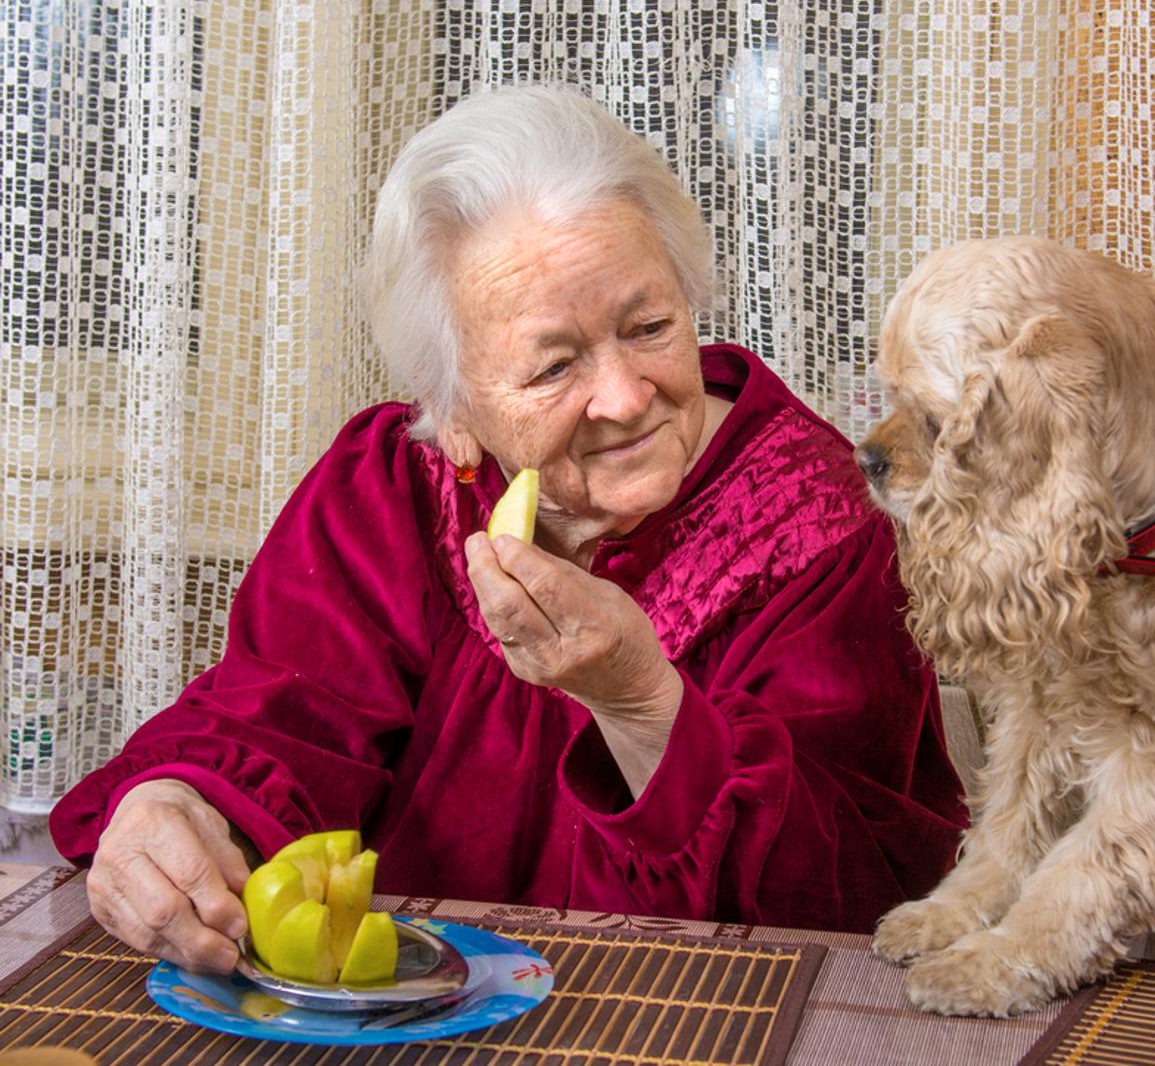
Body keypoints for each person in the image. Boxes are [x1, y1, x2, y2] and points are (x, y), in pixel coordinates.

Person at [49, 84, 967, 974]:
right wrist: (176, 804)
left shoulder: (817, 523)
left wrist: (645, 703)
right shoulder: (391, 486)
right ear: (451, 411)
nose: (624, 397)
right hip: (393, 1032)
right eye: (553, 366)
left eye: (649, 325)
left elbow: (856, 905)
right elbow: (277, 720)